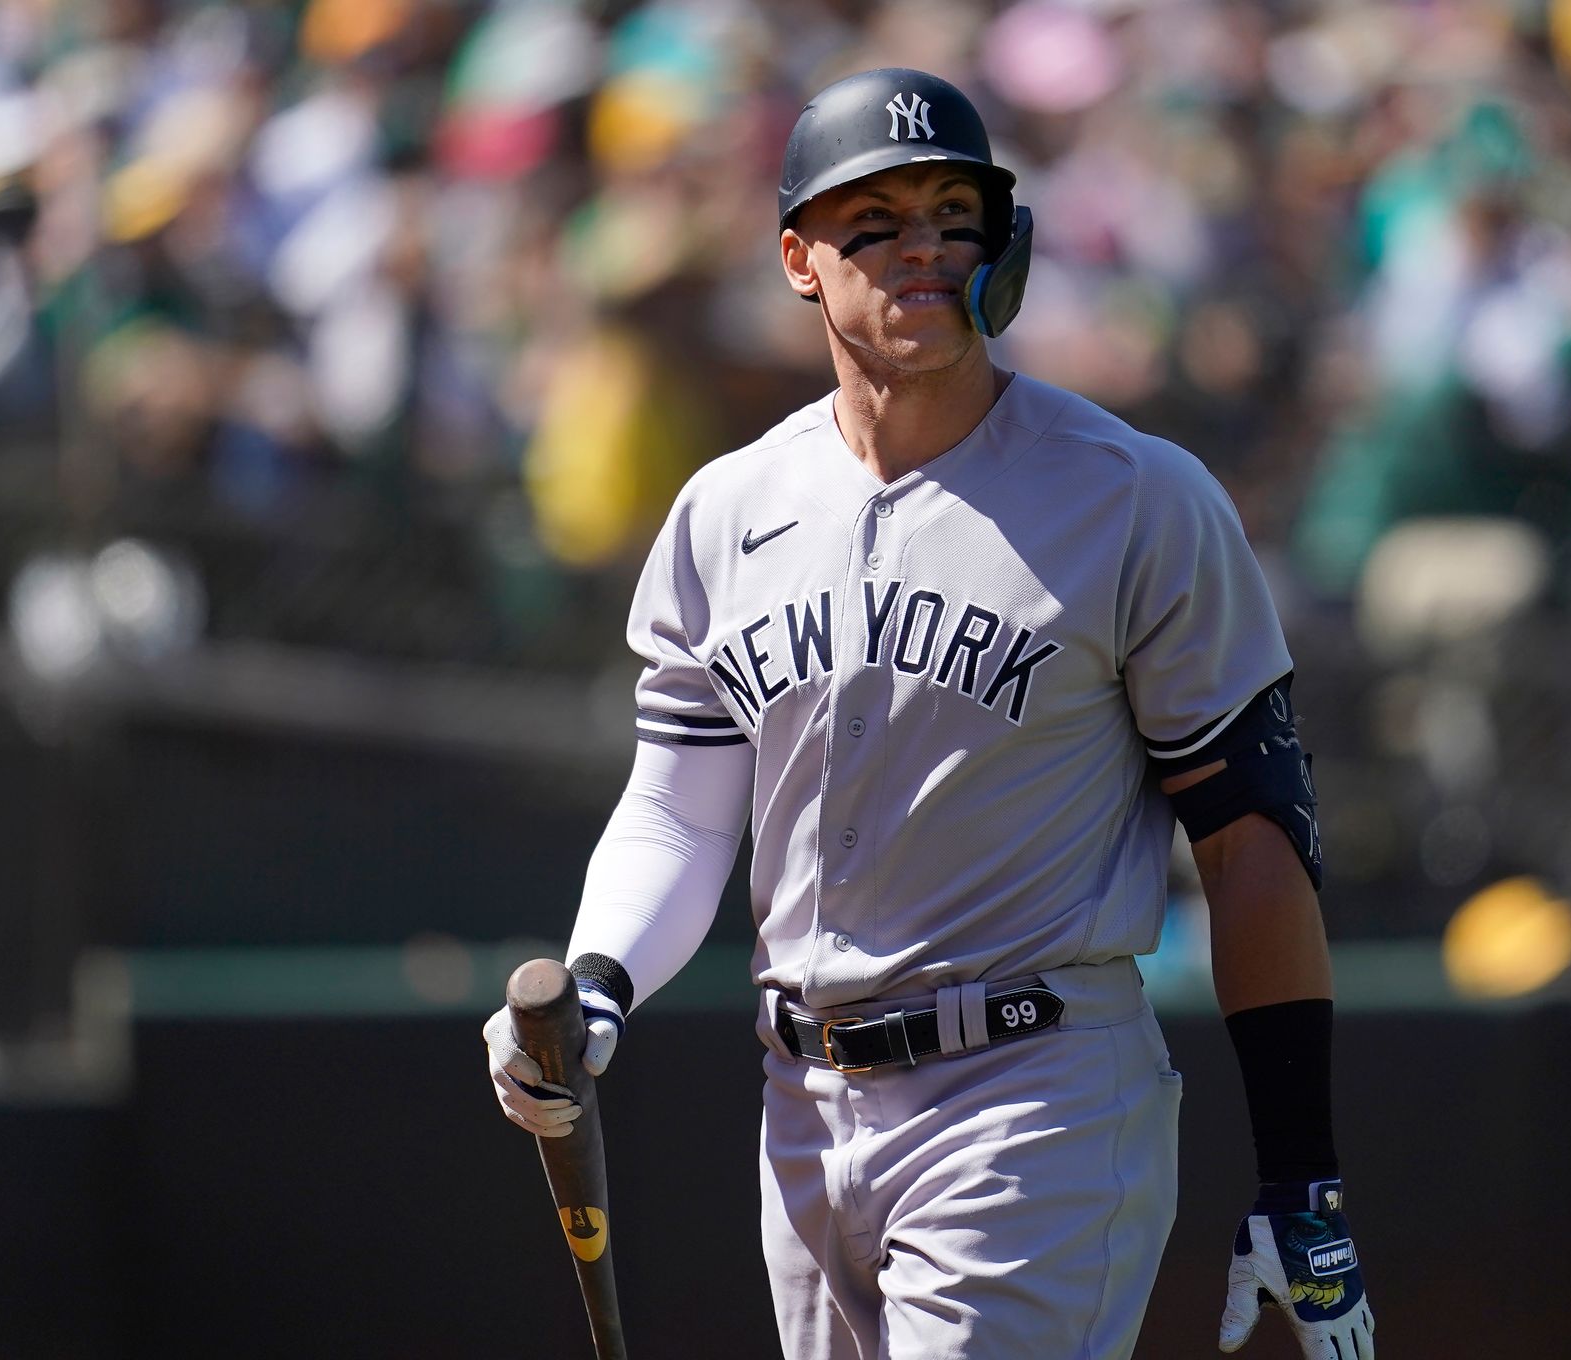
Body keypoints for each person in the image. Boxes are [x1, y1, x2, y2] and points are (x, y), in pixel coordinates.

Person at [484, 69, 1374, 1360]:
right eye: (878, 219)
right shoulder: (728, 514)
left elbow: (1252, 848)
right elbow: (679, 808)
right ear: (799, 259)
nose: (923, 247)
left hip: (1032, 1091)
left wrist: (1306, 1177)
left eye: (954, 213)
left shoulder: (1137, 500)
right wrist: (599, 982)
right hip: (806, 1102)